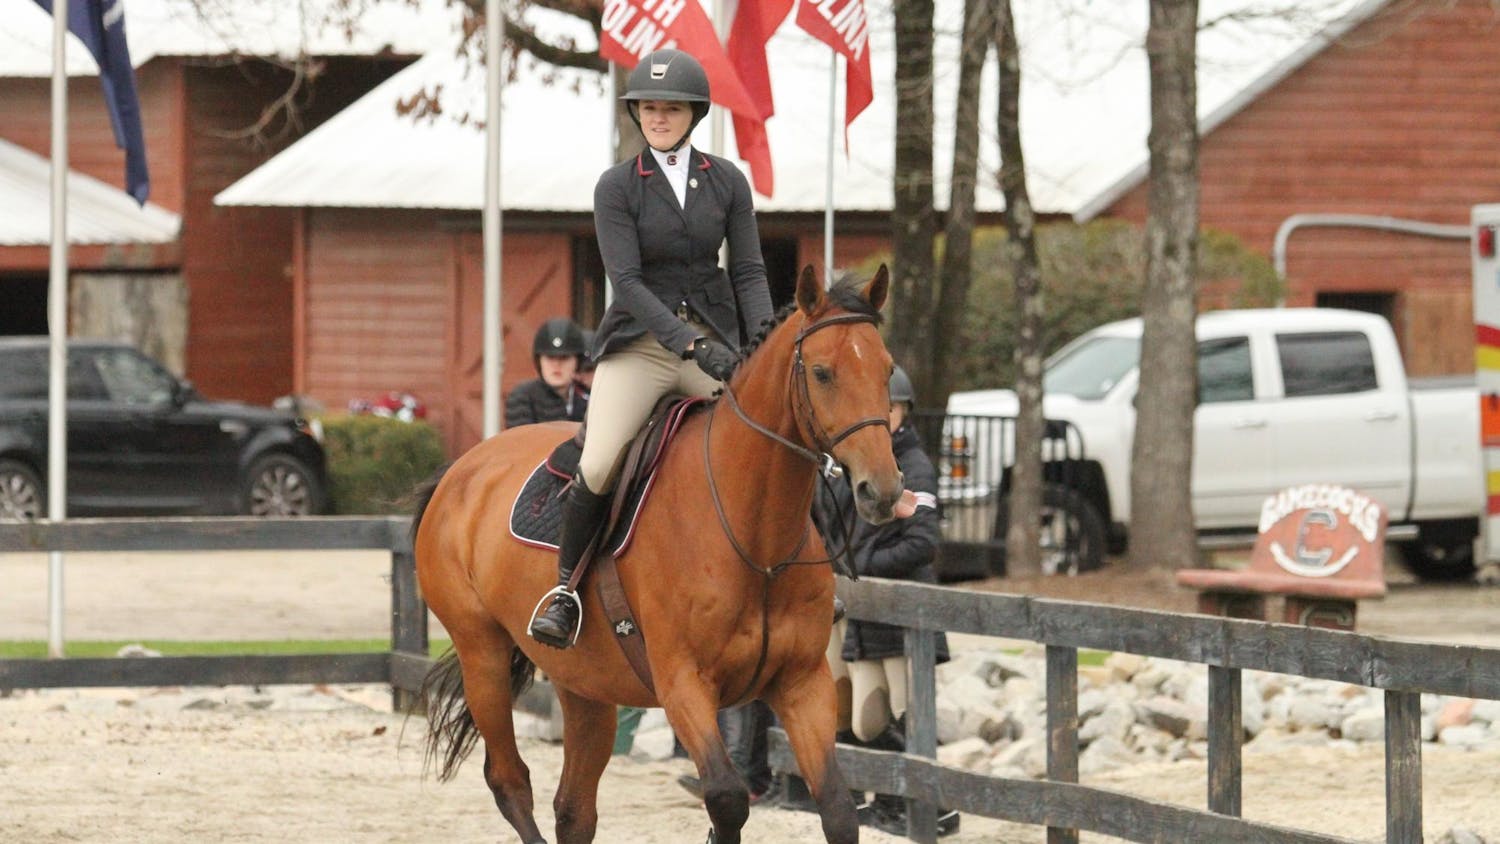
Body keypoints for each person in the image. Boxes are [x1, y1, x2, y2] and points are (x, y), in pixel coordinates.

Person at [528, 47, 773, 649]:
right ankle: (565, 590)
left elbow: (747, 270)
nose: (659, 116)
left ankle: (794, 575)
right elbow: (628, 283)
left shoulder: (727, 182)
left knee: (774, 435)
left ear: (693, 113)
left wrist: (761, 343)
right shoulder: (617, 186)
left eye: (671, 108)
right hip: (641, 346)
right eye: (649, 108)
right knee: (602, 457)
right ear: (638, 114)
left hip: (715, 340)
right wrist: (689, 343)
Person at [812, 365, 957, 837]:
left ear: (903, 411)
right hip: (865, 608)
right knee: (868, 720)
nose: (883, 416)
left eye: (890, 409)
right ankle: (890, 798)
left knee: (902, 715)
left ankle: (932, 806)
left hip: (902, 612)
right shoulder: (856, 462)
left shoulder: (913, 467)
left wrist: (862, 569)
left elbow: (923, 544)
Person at [505, 317, 590, 428]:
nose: (556, 365)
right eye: (550, 357)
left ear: (577, 361)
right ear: (539, 361)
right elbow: (520, 440)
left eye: (564, 358)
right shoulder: (524, 396)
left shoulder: (589, 397)